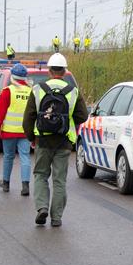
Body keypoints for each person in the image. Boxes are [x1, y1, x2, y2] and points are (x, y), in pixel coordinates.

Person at [23, 53, 87, 227]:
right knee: (59, 180)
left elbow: (28, 118)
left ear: (49, 70)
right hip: (64, 141)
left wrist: (31, 137)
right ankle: (56, 217)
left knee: (40, 175)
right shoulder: (73, 91)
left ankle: (42, 207)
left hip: (42, 140)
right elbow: (83, 115)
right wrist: (66, 121)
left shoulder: (37, 89)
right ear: (65, 71)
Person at [0, 64, 32, 196]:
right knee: (25, 157)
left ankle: (6, 183)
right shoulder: (31, 92)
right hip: (25, 132)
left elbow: (0, 113)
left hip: (9, 131)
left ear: (12, 77)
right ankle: (25, 185)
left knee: (8, 157)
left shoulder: (8, 91)